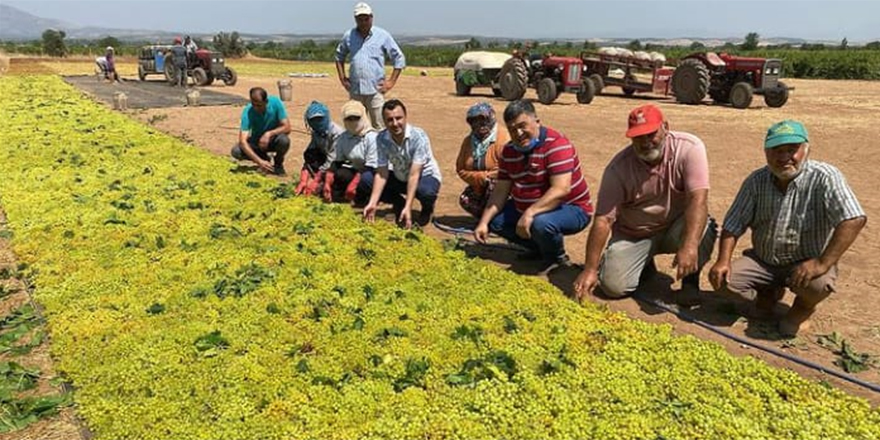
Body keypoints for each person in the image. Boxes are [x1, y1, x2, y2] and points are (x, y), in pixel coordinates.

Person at [708, 120, 866, 336]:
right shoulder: (756, 181)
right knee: (722, 281)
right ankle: (768, 292)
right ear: (766, 153)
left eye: (792, 150)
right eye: (776, 151)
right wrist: (723, 260)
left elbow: (854, 218)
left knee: (804, 304)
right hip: (763, 261)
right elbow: (733, 223)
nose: (784, 157)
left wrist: (822, 263)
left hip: (806, 265)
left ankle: (804, 306)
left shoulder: (825, 177)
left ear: (806, 149)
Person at [573, 104, 715, 306]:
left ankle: (690, 283)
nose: (646, 142)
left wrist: (690, 246)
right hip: (635, 234)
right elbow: (603, 220)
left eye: (651, 134)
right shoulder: (618, 168)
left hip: (675, 227)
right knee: (613, 287)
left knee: (705, 227)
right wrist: (589, 270)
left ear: (665, 127)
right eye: (639, 137)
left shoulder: (689, 148)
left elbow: (697, 199)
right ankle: (645, 265)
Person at [474, 100, 592, 269]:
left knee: (541, 223)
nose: (519, 133)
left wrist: (530, 213)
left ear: (537, 121)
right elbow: (500, 191)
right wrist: (483, 222)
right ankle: (540, 249)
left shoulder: (556, 144)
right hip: (530, 208)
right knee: (495, 221)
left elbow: (561, 189)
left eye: (523, 126)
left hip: (571, 208)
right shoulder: (509, 151)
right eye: (513, 130)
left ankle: (556, 257)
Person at [363, 99, 442, 229]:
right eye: (389, 120)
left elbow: (414, 174)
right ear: (384, 121)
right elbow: (382, 172)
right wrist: (373, 202)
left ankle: (427, 208)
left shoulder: (418, 137)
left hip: (424, 176)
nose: (395, 124)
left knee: (426, 192)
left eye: (398, 118)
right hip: (400, 175)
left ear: (406, 117)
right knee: (367, 180)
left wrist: (409, 208)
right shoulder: (381, 138)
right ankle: (398, 202)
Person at [335, 2, 406, 129]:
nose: (363, 22)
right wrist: (342, 78)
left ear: (371, 18)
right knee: (354, 127)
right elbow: (339, 56)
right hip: (355, 90)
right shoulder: (348, 36)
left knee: (380, 127)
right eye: (360, 19)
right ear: (355, 19)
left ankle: (380, 149)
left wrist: (391, 82)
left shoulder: (382, 35)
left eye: (366, 19)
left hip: (375, 91)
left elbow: (399, 58)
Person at [455, 102, 510, 218]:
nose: (480, 124)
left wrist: (488, 177)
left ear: (492, 118)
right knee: (466, 199)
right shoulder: (468, 142)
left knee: (493, 186)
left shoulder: (504, 138)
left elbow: (507, 168)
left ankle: (497, 218)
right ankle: (484, 219)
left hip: (504, 186)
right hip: (479, 186)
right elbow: (461, 169)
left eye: (484, 119)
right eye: (474, 121)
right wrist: (481, 178)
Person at [322, 100, 378, 204]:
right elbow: (337, 162)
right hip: (357, 170)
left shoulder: (372, 138)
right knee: (340, 174)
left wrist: (353, 184)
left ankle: (368, 197)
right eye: (349, 119)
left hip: (372, 172)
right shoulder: (344, 137)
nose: (353, 122)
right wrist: (327, 182)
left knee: (365, 179)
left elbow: (371, 166)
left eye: (356, 118)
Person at [231, 87, 292, 176]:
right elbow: (242, 141)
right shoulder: (248, 111)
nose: (256, 108)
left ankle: (278, 164)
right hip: (257, 142)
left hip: (273, 140)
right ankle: (264, 159)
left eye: (259, 105)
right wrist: (259, 161)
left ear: (266, 102)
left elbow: (287, 127)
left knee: (284, 140)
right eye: (253, 104)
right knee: (236, 151)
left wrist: (269, 134)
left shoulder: (276, 103)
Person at [295, 101, 345, 196]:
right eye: (313, 120)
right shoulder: (316, 132)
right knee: (310, 153)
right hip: (326, 158)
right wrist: (303, 180)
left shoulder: (337, 133)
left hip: (339, 162)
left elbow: (332, 160)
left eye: (320, 119)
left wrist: (316, 180)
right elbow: (310, 155)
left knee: (326, 188)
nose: (317, 123)